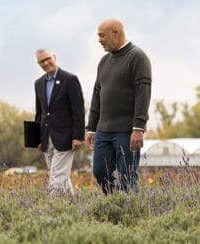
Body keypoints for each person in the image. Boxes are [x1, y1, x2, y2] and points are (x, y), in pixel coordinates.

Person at [85, 18, 152, 194]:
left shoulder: (138, 57)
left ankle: (130, 214)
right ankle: (114, 207)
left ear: (116, 32)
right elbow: (97, 95)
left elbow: (143, 95)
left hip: (126, 131)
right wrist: (91, 128)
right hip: (103, 130)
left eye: (102, 35)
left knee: (127, 177)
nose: (99, 40)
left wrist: (139, 128)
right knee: (100, 172)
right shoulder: (104, 61)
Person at [33, 48, 85, 197]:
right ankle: (73, 205)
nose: (46, 62)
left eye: (48, 58)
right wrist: (37, 139)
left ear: (54, 57)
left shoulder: (69, 79)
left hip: (66, 138)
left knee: (56, 176)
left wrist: (78, 136)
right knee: (59, 175)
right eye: (41, 61)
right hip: (46, 138)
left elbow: (78, 110)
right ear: (38, 64)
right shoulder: (38, 83)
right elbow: (39, 113)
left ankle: (54, 212)